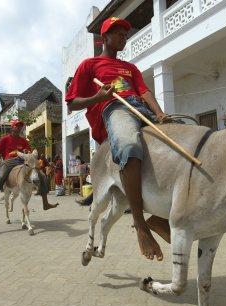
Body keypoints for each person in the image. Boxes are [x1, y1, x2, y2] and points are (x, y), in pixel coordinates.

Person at [65, 17, 170, 261]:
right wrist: (98, 98)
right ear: (105, 38)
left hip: (139, 108)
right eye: (118, 33)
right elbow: (71, 103)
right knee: (129, 146)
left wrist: (159, 113)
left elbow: (143, 91)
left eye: (125, 33)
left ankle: (161, 218)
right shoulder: (90, 64)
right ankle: (140, 225)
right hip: (115, 107)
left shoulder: (130, 68)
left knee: (177, 140)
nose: (124, 37)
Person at [0, 121, 59, 213]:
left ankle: (45, 203)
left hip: (22, 161)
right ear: (12, 128)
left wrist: (27, 152)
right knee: (0, 178)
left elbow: (29, 153)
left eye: (20, 126)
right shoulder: (5, 139)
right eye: (17, 126)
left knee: (42, 175)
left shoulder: (24, 141)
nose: (19, 127)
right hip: (8, 162)